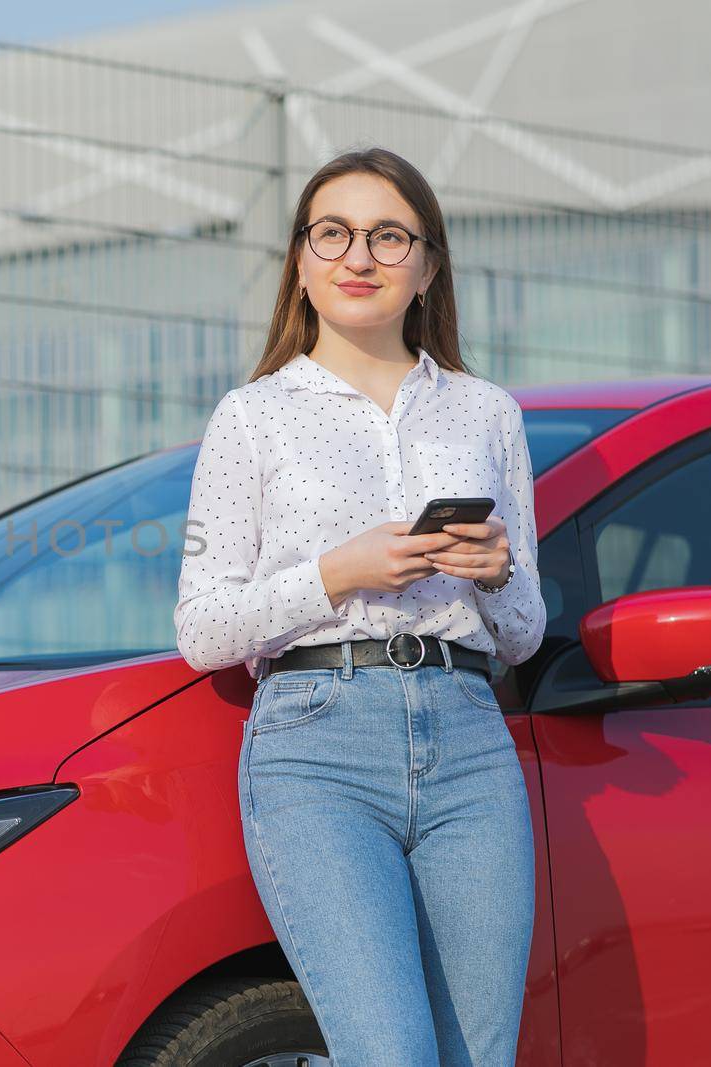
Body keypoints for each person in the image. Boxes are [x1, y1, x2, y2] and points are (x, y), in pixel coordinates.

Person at [173, 146, 546, 1066]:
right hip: (317, 747)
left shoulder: (486, 412)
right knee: (391, 1053)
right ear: (301, 261)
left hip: (469, 742)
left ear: (427, 265)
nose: (359, 256)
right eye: (332, 233)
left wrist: (495, 570)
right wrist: (336, 573)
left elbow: (527, 631)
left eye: (388, 235)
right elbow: (201, 630)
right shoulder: (251, 416)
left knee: (479, 1057)